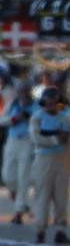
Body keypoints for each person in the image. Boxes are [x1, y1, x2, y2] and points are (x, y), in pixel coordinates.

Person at [29, 87, 70, 244]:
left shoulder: (65, 118)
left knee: (62, 196)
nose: (51, 107)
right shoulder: (37, 118)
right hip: (43, 159)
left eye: (55, 104)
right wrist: (55, 139)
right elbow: (36, 138)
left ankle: (61, 229)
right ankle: (40, 229)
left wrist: (67, 138)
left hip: (61, 159)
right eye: (48, 104)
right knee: (42, 195)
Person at [2, 81, 36, 224]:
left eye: (25, 90)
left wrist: (29, 119)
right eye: (20, 91)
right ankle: (18, 200)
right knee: (8, 176)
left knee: (23, 177)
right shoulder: (13, 104)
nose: (23, 94)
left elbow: (39, 121)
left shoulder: (35, 105)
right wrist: (14, 118)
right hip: (12, 140)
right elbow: (1, 119)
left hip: (27, 142)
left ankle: (18, 211)